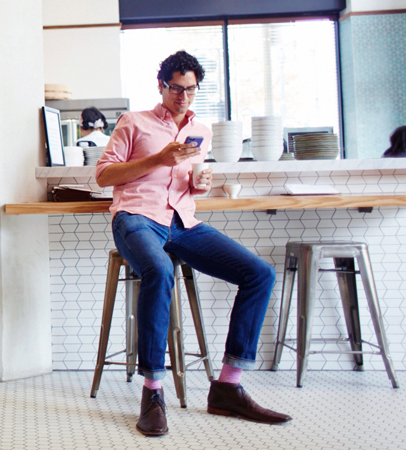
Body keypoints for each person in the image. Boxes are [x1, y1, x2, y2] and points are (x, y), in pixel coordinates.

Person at [95, 50, 291, 437]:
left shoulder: (201, 129)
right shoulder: (133, 122)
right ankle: (153, 393)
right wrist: (158, 159)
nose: (183, 97)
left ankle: (228, 387)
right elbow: (103, 176)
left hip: (183, 222)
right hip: (136, 218)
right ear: (161, 85)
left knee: (259, 274)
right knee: (159, 270)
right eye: (175, 88)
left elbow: (186, 180)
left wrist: (198, 183)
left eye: (190, 90)